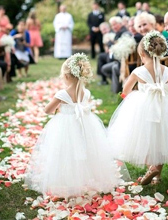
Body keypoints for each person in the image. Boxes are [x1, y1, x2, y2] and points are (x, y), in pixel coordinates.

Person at [108, 31, 168, 185]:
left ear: (141, 53)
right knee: (161, 140)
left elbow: (126, 90)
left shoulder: (138, 71)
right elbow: (166, 87)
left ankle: (151, 167)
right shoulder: (167, 71)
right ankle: (157, 175)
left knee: (145, 139)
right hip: (166, 106)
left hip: (143, 109)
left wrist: (125, 97)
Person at [24, 53, 120, 199]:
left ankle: (70, 186)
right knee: (84, 152)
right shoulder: (85, 92)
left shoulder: (62, 93)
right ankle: (82, 180)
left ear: (67, 76)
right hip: (84, 125)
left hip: (65, 127)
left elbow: (47, 110)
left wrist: (58, 109)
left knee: (65, 154)